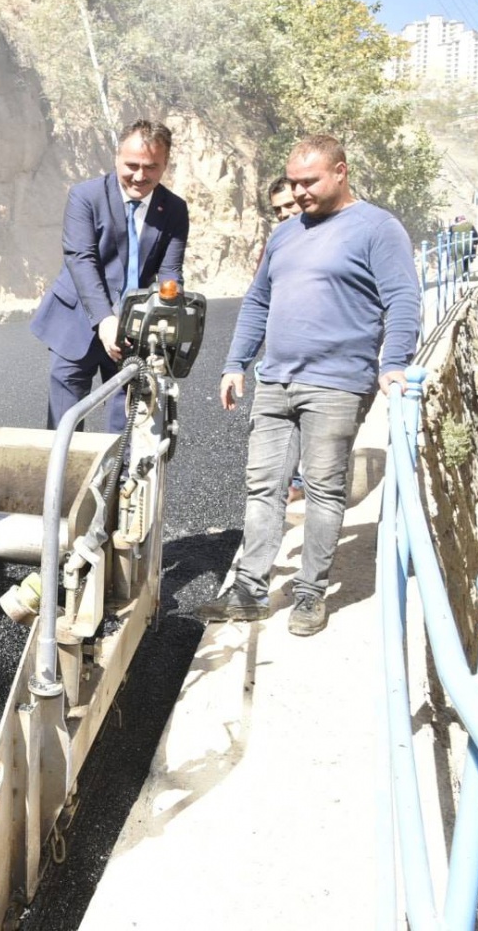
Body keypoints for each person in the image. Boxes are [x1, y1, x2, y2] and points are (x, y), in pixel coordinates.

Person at [200, 135, 420, 637]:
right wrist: (235, 362)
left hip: (338, 384)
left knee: (323, 491)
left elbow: (403, 300)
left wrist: (394, 363)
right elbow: (258, 301)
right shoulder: (285, 234)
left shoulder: (377, 229)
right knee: (263, 488)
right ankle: (250, 591)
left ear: (340, 172)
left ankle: (309, 595)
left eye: (309, 182)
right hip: (276, 379)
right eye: (293, 183)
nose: (297, 193)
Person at [30, 120, 189, 433]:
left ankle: (115, 483)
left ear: (165, 165)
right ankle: (62, 483)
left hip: (134, 331)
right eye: (132, 165)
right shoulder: (86, 197)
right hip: (76, 324)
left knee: (125, 431)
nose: (140, 176)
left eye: (151, 167)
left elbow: (170, 272)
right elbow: (81, 258)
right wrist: (104, 319)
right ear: (117, 157)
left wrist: (171, 312)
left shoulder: (174, 209)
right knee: (64, 430)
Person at [264, 177, 305, 503]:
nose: (284, 214)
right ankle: (290, 483)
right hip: (281, 352)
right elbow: (260, 296)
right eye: (278, 209)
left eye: (289, 205)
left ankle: (299, 483)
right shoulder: (276, 242)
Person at [449, 214, 478, 278]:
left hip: (456, 246)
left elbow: (449, 237)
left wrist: (449, 247)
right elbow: (475, 235)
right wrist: (475, 244)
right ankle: (465, 276)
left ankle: (459, 277)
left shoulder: (452, 227)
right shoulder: (470, 225)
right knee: (466, 260)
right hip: (467, 246)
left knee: (458, 261)